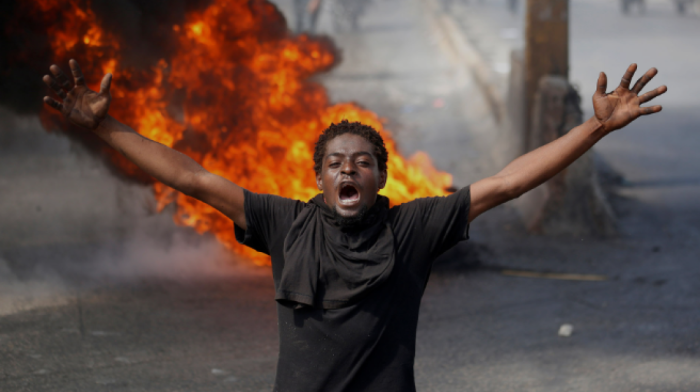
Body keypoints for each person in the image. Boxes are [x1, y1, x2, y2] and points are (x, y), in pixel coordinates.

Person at [42, 59, 666, 391]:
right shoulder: (283, 223)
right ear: (318, 178)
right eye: (336, 163)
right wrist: (103, 126)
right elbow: (192, 179)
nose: (349, 170)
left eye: (361, 163)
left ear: (379, 178)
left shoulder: (413, 228)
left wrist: (597, 127)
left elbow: (508, 183)